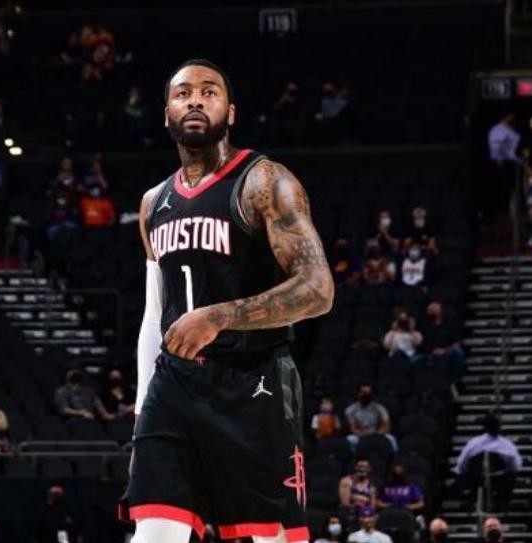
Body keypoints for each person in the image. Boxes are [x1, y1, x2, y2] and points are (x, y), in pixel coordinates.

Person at [125, 59, 334, 543]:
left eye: (209, 91)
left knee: (272, 537)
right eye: (183, 93)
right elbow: (154, 316)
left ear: (231, 111)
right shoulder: (153, 203)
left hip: (253, 379)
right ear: (167, 113)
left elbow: (318, 288)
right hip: (174, 386)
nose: (195, 100)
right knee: (153, 532)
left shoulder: (264, 182)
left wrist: (221, 316)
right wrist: (140, 413)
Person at [486, 113, 521, 218]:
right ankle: (504, 211)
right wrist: (498, 160)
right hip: (502, 163)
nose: (512, 120)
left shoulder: (510, 129)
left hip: (511, 162)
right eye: (510, 117)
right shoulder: (498, 130)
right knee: (504, 187)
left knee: (512, 187)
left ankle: (512, 209)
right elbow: (495, 146)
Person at [345, 384, 397, 452]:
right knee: (350, 439)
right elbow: (353, 428)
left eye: (368, 393)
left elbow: (386, 426)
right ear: (358, 394)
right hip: (360, 435)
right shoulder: (350, 409)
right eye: (363, 393)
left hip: (377, 434)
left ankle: (394, 458)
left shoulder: (380, 408)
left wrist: (378, 434)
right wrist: (363, 436)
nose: (366, 395)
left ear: (372, 395)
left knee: (391, 438)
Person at [421, 301, 465, 382]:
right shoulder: (425, 325)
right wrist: (432, 351)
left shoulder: (449, 324)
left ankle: (451, 380)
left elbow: (456, 343)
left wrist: (444, 350)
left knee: (457, 352)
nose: (431, 312)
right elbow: (423, 343)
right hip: (430, 352)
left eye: (433, 310)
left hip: (447, 352)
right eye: (429, 310)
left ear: (440, 311)